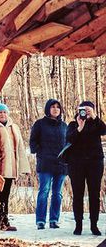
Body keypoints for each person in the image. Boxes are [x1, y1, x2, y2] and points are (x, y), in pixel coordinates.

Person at [0, 103, 29, 232]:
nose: (3, 114)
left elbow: (20, 149)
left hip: (10, 169)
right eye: (0, 112)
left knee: (4, 197)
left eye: (4, 112)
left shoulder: (14, 128)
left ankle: (3, 223)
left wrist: (24, 169)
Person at [65, 100, 106, 236]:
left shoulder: (96, 124)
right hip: (76, 164)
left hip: (95, 163)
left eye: (88, 110)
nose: (85, 113)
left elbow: (104, 130)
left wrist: (94, 116)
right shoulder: (73, 124)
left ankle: (94, 225)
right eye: (83, 110)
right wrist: (79, 127)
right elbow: (70, 139)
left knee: (94, 195)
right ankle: (78, 225)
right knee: (78, 195)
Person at [29, 99, 67, 230]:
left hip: (61, 165)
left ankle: (54, 220)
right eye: (52, 107)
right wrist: (41, 151)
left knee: (57, 193)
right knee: (44, 191)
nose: (56, 109)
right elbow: (32, 142)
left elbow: (68, 144)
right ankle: (40, 221)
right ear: (47, 109)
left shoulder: (64, 126)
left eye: (58, 107)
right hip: (45, 164)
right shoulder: (40, 124)